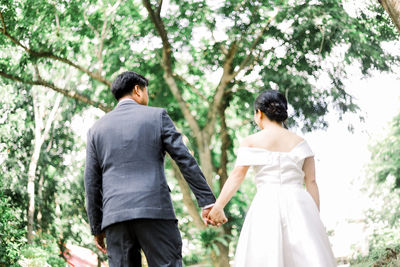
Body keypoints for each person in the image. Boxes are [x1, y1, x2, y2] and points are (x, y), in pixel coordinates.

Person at [84, 71, 218, 267]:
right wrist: (206, 201)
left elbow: (91, 183)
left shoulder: (96, 130)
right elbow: (184, 159)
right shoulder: (157, 116)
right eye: (146, 91)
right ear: (137, 90)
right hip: (155, 211)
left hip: (116, 218)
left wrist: (97, 227)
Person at [208, 90, 337, 266]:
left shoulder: (251, 141)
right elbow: (311, 182)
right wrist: (314, 218)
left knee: (265, 255)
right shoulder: (301, 142)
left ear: (259, 113)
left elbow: (237, 175)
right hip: (299, 203)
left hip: (266, 203)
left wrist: (218, 206)